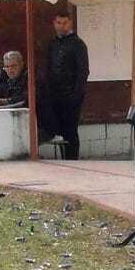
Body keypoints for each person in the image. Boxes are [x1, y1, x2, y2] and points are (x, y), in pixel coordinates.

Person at [44, 8, 89, 159]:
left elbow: (83, 71)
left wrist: (76, 95)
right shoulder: (52, 44)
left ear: (70, 23)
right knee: (59, 130)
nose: (61, 26)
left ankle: (72, 160)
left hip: (71, 95)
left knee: (70, 129)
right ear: (54, 23)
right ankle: (64, 160)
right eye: (58, 23)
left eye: (64, 23)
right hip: (54, 94)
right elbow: (48, 68)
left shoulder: (78, 44)